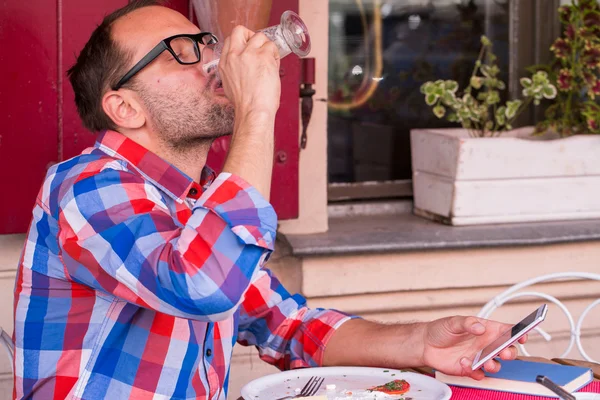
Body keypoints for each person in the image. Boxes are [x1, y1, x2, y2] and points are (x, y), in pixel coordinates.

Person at [12, 1, 525, 399]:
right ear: (124, 106)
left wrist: (421, 341)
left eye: (204, 41)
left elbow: (289, 325)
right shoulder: (86, 187)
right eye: (181, 51)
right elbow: (200, 284)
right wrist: (257, 111)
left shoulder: (199, 200)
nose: (213, 59)